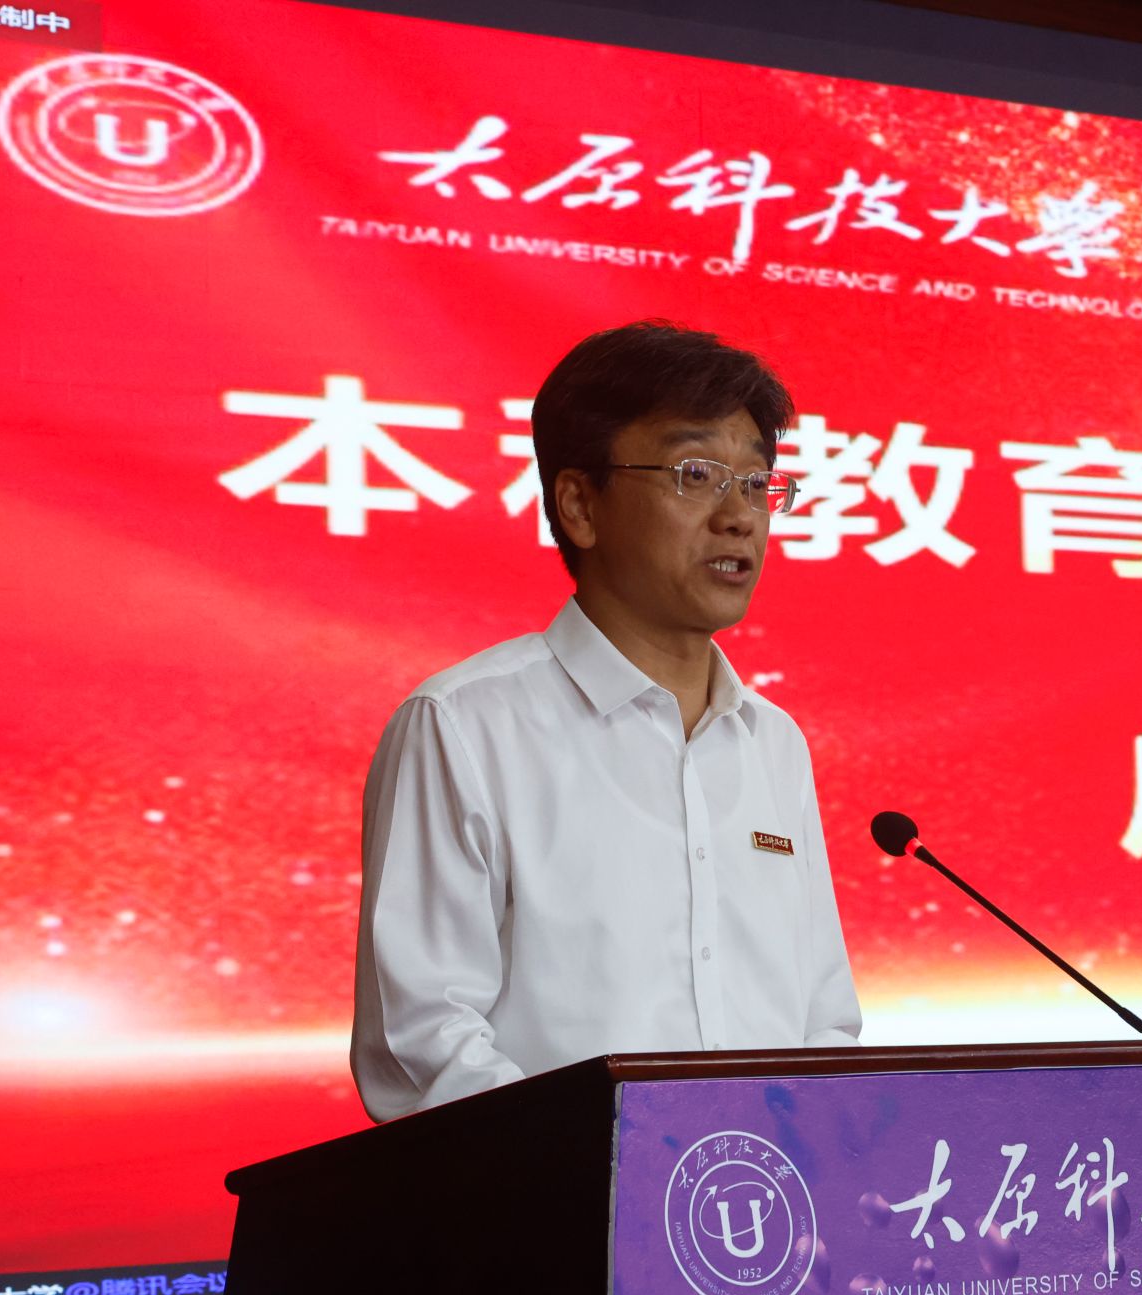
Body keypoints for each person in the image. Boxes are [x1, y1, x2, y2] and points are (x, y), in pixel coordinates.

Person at [350, 320, 860, 1123]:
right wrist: (618, 1167)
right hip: (555, 1196)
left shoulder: (773, 742)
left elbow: (823, 1018)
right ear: (580, 505)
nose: (740, 516)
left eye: (758, 482)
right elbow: (423, 1044)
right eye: (697, 474)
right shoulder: (465, 725)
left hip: (761, 1191)